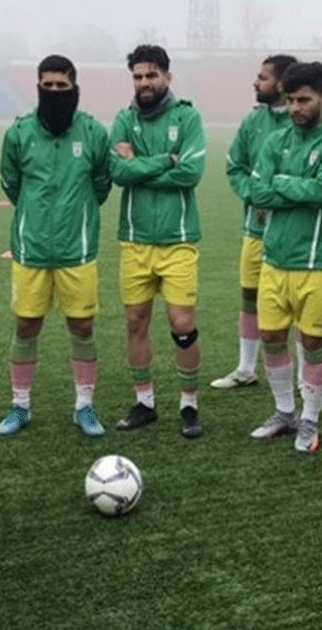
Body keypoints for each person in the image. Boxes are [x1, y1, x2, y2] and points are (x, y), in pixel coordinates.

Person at [0, 54, 112, 437]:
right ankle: (20, 405)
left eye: (62, 86)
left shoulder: (93, 132)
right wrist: (35, 212)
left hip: (77, 249)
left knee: (82, 325)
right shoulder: (20, 132)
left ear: (74, 87)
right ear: (38, 86)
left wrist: (77, 214)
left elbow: (102, 183)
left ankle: (84, 407)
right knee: (26, 325)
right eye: (48, 85)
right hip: (31, 248)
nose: (55, 92)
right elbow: (11, 181)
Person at [242, 61, 322, 453]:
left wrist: (280, 184)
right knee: (272, 337)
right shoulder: (275, 141)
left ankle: (310, 418)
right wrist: (296, 188)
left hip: (319, 261)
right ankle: (284, 411)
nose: (295, 108)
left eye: (304, 100)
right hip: (275, 259)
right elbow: (257, 192)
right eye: (290, 100)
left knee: (312, 341)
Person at [109, 45, 207, 438]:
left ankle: (189, 404)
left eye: (151, 75)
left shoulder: (187, 116)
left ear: (167, 76)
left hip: (178, 239)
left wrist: (139, 166)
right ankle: (145, 402)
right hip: (135, 240)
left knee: (181, 323)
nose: (144, 83)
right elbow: (117, 171)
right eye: (138, 76)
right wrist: (165, 159)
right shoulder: (122, 118)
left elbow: (191, 172)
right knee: (135, 321)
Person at [211, 53, 298, 390]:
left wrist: (271, 200)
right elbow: (235, 166)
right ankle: (246, 367)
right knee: (249, 295)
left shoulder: (301, 122)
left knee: (295, 303)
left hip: (294, 233)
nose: (255, 82)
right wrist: (256, 196)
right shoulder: (252, 122)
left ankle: (304, 377)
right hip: (255, 229)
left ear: (281, 83)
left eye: (262, 77)